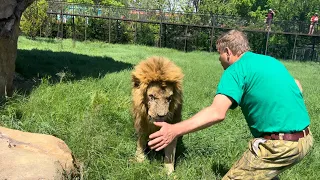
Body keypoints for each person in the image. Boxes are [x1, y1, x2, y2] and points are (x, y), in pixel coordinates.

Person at [148, 30, 313, 179]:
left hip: (278, 146)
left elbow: (217, 112)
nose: (219, 59)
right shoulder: (269, 61)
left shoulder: (235, 70)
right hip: (305, 141)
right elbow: (297, 84)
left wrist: (174, 130)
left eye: (219, 53)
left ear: (227, 52)